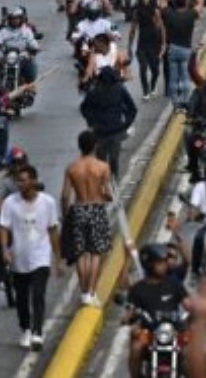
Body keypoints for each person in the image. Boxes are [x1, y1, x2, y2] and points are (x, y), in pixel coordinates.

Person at [0, 165, 62, 351]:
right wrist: (4, 249)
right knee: (22, 298)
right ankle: (25, 328)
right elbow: (4, 227)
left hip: (40, 257)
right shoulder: (11, 202)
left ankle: (37, 332)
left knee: (38, 295)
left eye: (24, 180)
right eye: (18, 180)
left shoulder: (48, 202)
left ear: (34, 180)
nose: (21, 184)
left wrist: (57, 259)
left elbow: (52, 230)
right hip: (19, 257)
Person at [61, 131, 112, 307]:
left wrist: (65, 214)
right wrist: (107, 197)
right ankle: (91, 291)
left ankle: (84, 292)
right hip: (97, 208)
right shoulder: (103, 167)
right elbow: (106, 193)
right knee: (96, 253)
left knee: (81, 254)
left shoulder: (72, 168)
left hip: (79, 209)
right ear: (95, 145)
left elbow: (65, 196)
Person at [125, 244, 190, 378]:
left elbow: (188, 303)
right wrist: (127, 318)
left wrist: (196, 311)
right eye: (160, 263)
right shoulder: (138, 289)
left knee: (193, 352)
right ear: (149, 264)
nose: (164, 266)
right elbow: (130, 311)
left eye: (164, 262)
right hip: (149, 333)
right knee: (136, 348)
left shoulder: (174, 283)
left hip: (175, 331)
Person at [79, 66, 138, 177]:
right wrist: (126, 124)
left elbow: (84, 109)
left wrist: (91, 121)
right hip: (105, 132)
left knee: (108, 160)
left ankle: (110, 183)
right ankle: (110, 183)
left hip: (108, 131)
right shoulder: (97, 91)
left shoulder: (114, 90)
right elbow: (84, 108)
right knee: (109, 160)